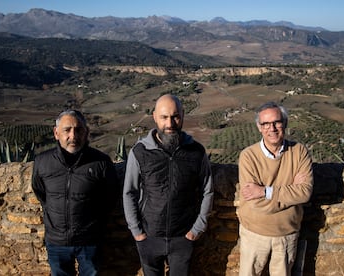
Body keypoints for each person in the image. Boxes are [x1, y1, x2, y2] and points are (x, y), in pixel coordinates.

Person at [123, 94, 214, 276]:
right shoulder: (140, 152)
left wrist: (197, 229)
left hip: (183, 236)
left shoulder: (196, 152)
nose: (170, 124)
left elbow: (207, 190)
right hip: (149, 236)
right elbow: (129, 192)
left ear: (183, 115)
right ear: (155, 117)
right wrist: (137, 233)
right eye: (164, 117)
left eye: (175, 116)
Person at [32, 109, 118, 276]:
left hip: (89, 241)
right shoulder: (42, 162)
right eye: (67, 130)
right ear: (56, 133)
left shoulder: (101, 162)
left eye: (78, 130)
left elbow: (110, 197)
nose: (73, 135)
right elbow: (40, 192)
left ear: (86, 133)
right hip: (56, 241)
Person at [238, 102, 313, 276]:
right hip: (254, 234)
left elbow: (304, 193)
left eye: (277, 122)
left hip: (287, 235)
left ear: (285, 123)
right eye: (265, 124)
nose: (271, 128)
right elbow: (256, 203)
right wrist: (290, 192)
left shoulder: (299, 152)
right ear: (259, 127)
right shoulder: (248, 156)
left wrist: (265, 191)